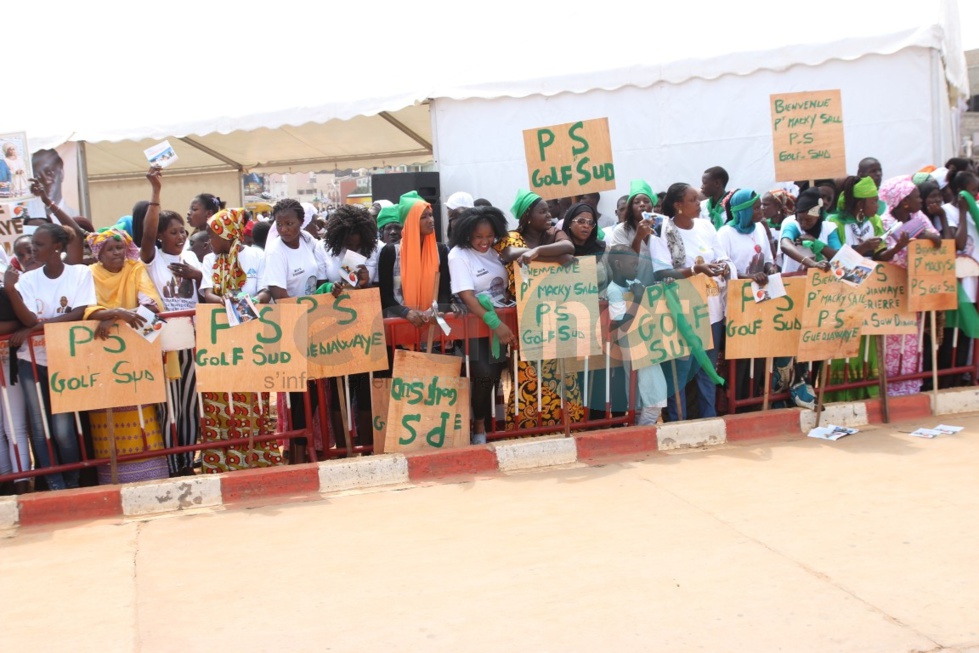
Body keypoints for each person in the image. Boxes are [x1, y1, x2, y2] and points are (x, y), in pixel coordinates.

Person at [3, 224, 96, 490]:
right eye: (32, 244)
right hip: (31, 360)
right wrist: (11, 291)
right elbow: (29, 316)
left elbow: (79, 312)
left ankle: (73, 477)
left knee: (64, 430)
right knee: (40, 428)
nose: (33, 249)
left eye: (39, 244)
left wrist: (34, 328)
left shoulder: (79, 273)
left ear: (57, 247)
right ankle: (56, 483)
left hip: (66, 359)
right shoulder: (27, 280)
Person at [199, 209, 282, 473]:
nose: (210, 241)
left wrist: (255, 300)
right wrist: (224, 301)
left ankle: (256, 456)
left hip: (252, 335)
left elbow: (267, 288)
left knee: (254, 397)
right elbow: (206, 292)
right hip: (221, 338)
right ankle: (223, 459)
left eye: (213, 235)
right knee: (220, 396)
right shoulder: (209, 260)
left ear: (227, 234)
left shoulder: (256, 255)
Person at [84, 228, 169, 484]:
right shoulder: (89, 274)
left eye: (120, 248)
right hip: (100, 357)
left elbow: (152, 305)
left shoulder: (135, 268)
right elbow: (83, 307)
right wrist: (118, 313)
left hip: (137, 358)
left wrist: (113, 317)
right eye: (109, 249)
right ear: (99, 253)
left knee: (142, 412)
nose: (116, 253)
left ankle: (153, 474)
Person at [497, 189, 581, 432]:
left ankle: (563, 427)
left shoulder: (553, 233)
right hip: (528, 321)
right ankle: (527, 433)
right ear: (526, 215)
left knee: (562, 375)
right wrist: (554, 257)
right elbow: (511, 255)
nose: (549, 214)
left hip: (558, 318)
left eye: (548, 210)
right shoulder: (510, 237)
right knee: (529, 378)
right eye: (542, 211)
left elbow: (569, 248)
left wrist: (539, 252)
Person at [137, 167, 203, 475]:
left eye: (182, 232)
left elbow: (205, 292)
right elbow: (147, 234)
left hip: (189, 342)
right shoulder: (153, 259)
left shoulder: (191, 260)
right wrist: (156, 193)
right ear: (161, 237)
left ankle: (187, 460)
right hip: (163, 343)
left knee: (189, 405)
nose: (181, 236)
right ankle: (171, 463)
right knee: (168, 408)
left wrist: (197, 275)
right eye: (174, 232)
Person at [655, 182, 730, 421]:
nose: (699, 204)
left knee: (707, 370)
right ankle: (679, 422)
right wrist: (696, 270)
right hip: (682, 311)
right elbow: (662, 272)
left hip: (711, 310)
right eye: (693, 200)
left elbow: (722, 256)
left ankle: (709, 419)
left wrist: (725, 267)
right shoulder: (663, 231)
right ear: (678, 205)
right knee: (681, 372)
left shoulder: (706, 226)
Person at [263, 198, 328, 462]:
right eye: (279, 224)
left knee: (313, 391)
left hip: (314, 324)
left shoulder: (310, 243)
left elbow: (321, 277)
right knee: (298, 395)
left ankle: (308, 448)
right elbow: (278, 291)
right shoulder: (275, 251)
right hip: (291, 325)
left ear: (301, 222)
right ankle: (298, 454)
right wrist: (304, 317)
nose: (284, 229)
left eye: (289, 223)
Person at [447, 207, 514, 444]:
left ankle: (495, 423)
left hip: (503, 323)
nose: (485, 241)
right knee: (484, 374)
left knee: (495, 374)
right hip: (478, 326)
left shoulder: (497, 251)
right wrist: (496, 324)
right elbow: (468, 297)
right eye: (479, 237)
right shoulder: (458, 255)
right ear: (467, 235)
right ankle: (479, 427)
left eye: (489, 236)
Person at [877, 176, 942, 397]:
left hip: (914, 290)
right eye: (916, 197)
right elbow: (880, 255)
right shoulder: (884, 222)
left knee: (911, 341)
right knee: (891, 341)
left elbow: (937, 239)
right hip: (889, 291)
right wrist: (900, 246)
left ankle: (910, 385)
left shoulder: (919, 217)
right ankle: (889, 386)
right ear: (904, 202)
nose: (921, 200)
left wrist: (926, 235)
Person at [825, 176, 884, 401]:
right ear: (860, 204)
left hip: (869, 293)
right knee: (843, 343)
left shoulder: (875, 221)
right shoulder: (834, 223)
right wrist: (862, 248)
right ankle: (839, 395)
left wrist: (897, 244)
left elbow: (881, 254)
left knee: (867, 343)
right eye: (873, 200)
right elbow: (837, 258)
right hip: (842, 295)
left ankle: (868, 391)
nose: (877, 205)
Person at [717, 189, 777, 402]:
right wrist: (749, 277)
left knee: (759, 352)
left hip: (761, 299)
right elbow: (723, 267)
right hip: (737, 304)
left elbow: (768, 257)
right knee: (740, 358)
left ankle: (754, 398)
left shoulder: (760, 228)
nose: (760, 210)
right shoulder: (725, 234)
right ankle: (737, 400)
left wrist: (770, 268)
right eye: (755, 207)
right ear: (742, 211)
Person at [605, 245, 667, 425]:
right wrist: (638, 299)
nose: (637, 269)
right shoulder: (614, 291)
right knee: (651, 395)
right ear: (618, 265)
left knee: (643, 393)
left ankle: (640, 430)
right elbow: (622, 325)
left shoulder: (633, 284)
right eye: (633, 265)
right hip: (633, 348)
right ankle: (643, 432)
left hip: (645, 344)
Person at [378, 194, 451, 321]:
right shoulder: (390, 252)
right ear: (410, 221)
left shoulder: (441, 250)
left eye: (430, 215)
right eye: (423, 217)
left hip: (433, 327)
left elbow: (444, 291)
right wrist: (406, 312)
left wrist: (437, 310)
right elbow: (385, 296)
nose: (430, 220)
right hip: (401, 328)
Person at [609, 180, 657, 259]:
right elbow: (626, 264)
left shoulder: (659, 226)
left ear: (652, 206)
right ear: (630, 208)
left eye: (646, 201)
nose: (642, 204)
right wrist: (638, 238)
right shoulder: (621, 230)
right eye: (637, 202)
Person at [31, 149, 77, 218]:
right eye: (37, 176)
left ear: (61, 173)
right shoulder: (32, 219)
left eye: (49, 173)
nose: (45, 181)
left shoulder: (76, 217)